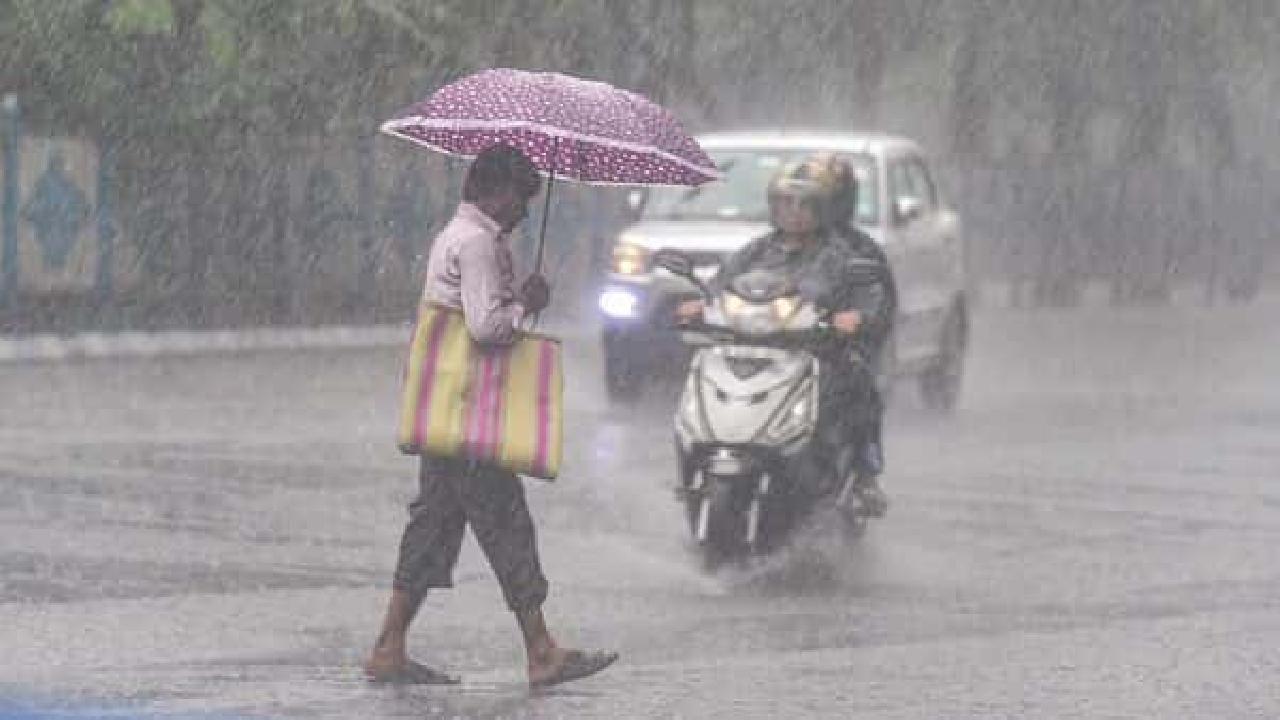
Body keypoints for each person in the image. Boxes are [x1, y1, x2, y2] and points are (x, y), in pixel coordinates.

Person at [365, 145, 618, 688]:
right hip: (471, 414)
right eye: (522, 198)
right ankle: (541, 650)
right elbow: (485, 328)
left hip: (447, 413)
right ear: (496, 191)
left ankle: (389, 646)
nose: (525, 211)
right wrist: (527, 304)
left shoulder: (453, 236)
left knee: (433, 526)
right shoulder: (477, 243)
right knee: (506, 524)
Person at [676, 154, 893, 516]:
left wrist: (853, 318)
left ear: (824, 208)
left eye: (804, 204)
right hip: (751, 349)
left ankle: (864, 476)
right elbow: (719, 287)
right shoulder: (755, 251)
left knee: (858, 382)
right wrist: (700, 306)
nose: (793, 212)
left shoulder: (844, 255)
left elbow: (873, 299)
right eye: (784, 202)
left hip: (817, 352)